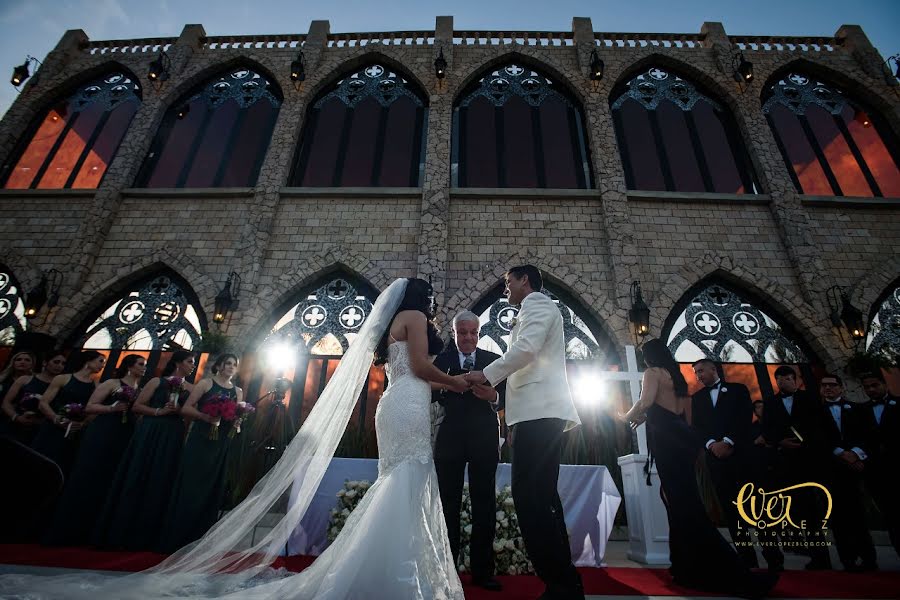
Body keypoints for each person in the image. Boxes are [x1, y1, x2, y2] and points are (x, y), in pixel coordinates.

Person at [0, 278, 469, 599]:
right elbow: (425, 369)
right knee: (407, 477)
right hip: (409, 399)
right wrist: (459, 382)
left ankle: (381, 565)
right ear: (420, 296)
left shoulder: (392, 324)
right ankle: (393, 570)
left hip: (395, 402)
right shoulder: (413, 316)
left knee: (399, 478)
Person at [622, 339, 777, 599]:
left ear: (648, 357)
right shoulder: (676, 376)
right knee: (682, 502)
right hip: (682, 443)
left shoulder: (652, 372)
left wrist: (625, 417)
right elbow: (683, 415)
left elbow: (647, 401)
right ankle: (684, 566)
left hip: (666, 444)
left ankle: (726, 569)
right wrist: (650, 420)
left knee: (683, 505)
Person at [465, 265, 583, 600]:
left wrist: (485, 374)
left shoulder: (537, 305)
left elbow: (527, 349)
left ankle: (560, 583)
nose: (505, 289)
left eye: (508, 282)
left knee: (531, 498)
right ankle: (565, 585)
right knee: (542, 498)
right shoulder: (533, 308)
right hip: (536, 414)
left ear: (524, 281)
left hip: (542, 413)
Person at [432, 310, 506, 591]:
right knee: (448, 505)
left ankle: (482, 572)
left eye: (473, 332)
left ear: (479, 333)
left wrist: (493, 396)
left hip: (484, 441)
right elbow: (429, 390)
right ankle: (448, 570)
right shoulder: (444, 360)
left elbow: (507, 395)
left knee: (484, 504)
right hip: (449, 440)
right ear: (454, 333)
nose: (468, 337)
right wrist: (451, 385)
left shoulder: (493, 361)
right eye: (462, 332)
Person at [94, 351, 196, 551]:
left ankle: (151, 531)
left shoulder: (191, 388)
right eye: (190, 362)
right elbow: (137, 406)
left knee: (163, 476)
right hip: (151, 429)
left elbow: (188, 412)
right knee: (140, 472)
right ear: (178, 363)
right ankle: (124, 528)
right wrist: (159, 411)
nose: (193, 365)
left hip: (173, 433)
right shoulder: (156, 382)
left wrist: (180, 413)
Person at [43, 354, 146, 546]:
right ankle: (66, 529)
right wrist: (112, 409)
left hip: (125, 434)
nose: (144, 368)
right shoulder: (111, 383)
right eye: (141, 364)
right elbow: (90, 406)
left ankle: (94, 530)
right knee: (89, 473)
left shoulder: (139, 389)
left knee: (110, 478)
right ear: (130, 366)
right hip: (104, 430)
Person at [690, 359, 782, 570]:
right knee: (732, 512)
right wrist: (712, 444)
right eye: (696, 373)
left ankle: (774, 559)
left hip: (742, 457)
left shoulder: (737, 390)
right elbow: (697, 427)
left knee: (756, 509)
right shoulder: (697, 398)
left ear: (714, 369)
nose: (699, 375)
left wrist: (729, 441)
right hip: (717, 461)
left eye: (701, 370)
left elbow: (743, 418)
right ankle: (746, 560)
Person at [158, 353, 244, 553]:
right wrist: (205, 417)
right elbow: (186, 409)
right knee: (191, 483)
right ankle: (177, 537)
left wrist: (238, 422)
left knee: (212, 486)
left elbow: (235, 416)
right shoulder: (206, 384)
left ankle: (201, 539)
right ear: (220, 366)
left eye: (234, 364)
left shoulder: (238, 391)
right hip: (201, 438)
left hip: (221, 441)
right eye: (228, 363)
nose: (231, 367)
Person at [762, 366, 832, 570]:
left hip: (808, 461)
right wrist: (780, 441)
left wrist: (807, 442)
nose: (783, 382)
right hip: (784, 463)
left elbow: (821, 425)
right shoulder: (772, 402)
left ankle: (821, 557)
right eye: (779, 379)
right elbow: (767, 428)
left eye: (787, 378)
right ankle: (796, 548)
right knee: (790, 510)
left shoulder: (810, 399)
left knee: (812, 512)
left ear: (795, 380)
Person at [817, 374, 877, 572]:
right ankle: (847, 559)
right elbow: (816, 438)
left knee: (859, 515)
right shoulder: (815, 412)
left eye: (832, 385)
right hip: (832, 470)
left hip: (856, 468)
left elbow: (869, 435)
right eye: (824, 386)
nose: (828, 389)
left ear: (841, 388)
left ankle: (868, 558)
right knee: (838, 517)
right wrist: (841, 453)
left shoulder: (859, 409)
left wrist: (857, 454)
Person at [30, 351, 105, 476]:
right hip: (52, 427)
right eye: (100, 361)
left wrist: (82, 423)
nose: (102, 365)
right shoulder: (63, 378)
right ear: (88, 361)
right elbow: (44, 403)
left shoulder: (96, 385)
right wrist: (55, 418)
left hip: (74, 431)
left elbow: (94, 409)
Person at [858, 371, 900, 559]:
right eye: (867, 387)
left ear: (884, 384)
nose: (871, 390)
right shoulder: (861, 411)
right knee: (891, 516)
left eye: (874, 385)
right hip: (877, 472)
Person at [1, 352, 66, 445]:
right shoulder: (25, 379)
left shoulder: (61, 386)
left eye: (63, 364)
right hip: (14, 426)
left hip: (40, 430)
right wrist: (17, 417)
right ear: (45, 363)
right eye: (56, 362)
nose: (59, 366)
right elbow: (6, 402)